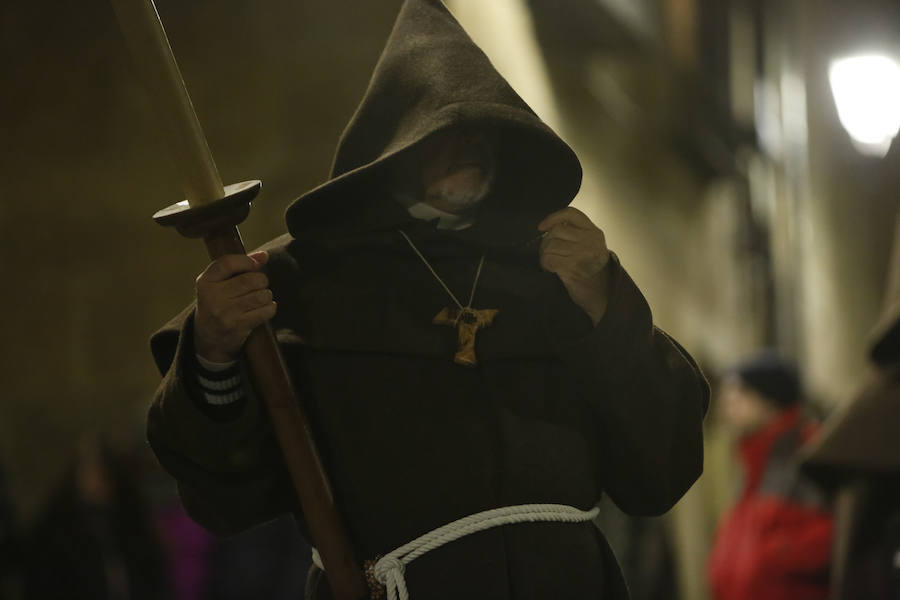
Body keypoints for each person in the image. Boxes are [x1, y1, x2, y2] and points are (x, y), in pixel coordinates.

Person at [147, 0, 709, 598]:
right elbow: (228, 496)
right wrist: (213, 355)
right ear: (397, 148)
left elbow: (659, 471)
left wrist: (604, 305)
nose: (468, 146)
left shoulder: (560, 273)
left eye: (481, 132)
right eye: (443, 132)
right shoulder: (304, 280)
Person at [708, 351, 833, 600]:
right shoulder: (753, 460)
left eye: (740, 394)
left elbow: (835, 531)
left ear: (769, 400)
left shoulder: (806, 453)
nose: (727, 405)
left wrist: (774, 556)